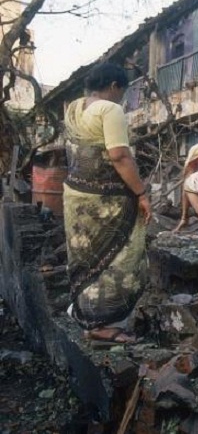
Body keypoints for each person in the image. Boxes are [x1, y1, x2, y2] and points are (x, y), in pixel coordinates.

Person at [63, 62, 151, 344]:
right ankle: (103, 324)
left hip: (76, 195)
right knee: (120, 257)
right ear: (114, 86)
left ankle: (82, 312)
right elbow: (119, 156)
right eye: (122, 92)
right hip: (107, 199)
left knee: (85, 256)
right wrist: (140, 193)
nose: (121, 98)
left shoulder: (75, 107)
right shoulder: (110, 109)